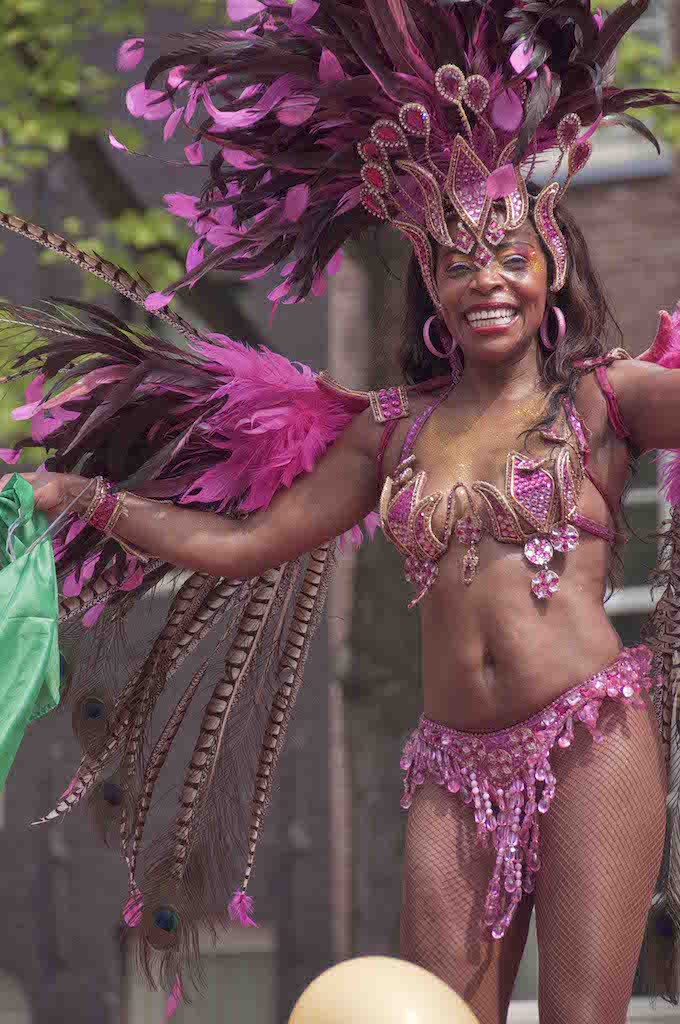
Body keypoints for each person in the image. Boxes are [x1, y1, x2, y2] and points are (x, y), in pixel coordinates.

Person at [0, 2, 679, 1021]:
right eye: (457, 261)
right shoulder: (390, 431)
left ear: (550, 271)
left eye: (508, 255)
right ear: (432, 287)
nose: (485, 278)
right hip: (450, 765)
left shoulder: (601, 395)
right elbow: (241, 543)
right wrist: (80, 495)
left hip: (590, 740)